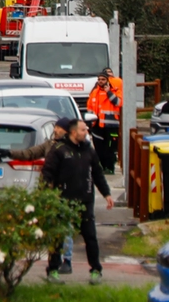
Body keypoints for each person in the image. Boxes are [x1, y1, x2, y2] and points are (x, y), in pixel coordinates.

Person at [42, 119, 114, 286]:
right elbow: (47, 173)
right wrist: (46, 195)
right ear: (73, 132)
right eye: (83, 130)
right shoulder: (59, 150)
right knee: (58, 236)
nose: (86, 132)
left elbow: (97, 173)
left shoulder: (89, 150)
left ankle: (96, 270)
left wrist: (106, 193)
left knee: (90, 236)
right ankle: (53, 269)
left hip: (85, 200)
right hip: (63, 200)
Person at [6, 117, 75, 273]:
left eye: (59, 128)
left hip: (65, 192)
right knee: (51, 230)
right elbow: (31, 153)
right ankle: (54, 263)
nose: (55, 130)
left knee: (65, 228)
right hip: (48, 193)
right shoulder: (49, 145)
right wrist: (11, 153)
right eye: (55, 127)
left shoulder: (72, 147)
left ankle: (67, 260)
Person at [86, 72, 123, 173]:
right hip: (97, 126)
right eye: (99, 79)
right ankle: (102, 167)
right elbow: (89, 107)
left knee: (110, 149)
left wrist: (108, 92)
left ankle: (110, 168)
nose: (100, 81)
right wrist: (89, 122)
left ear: (107, 80)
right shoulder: (94, 92)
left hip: (111, 125)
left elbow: (118, 103)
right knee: (99, 149)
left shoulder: (115, 91)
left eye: (103, 79)